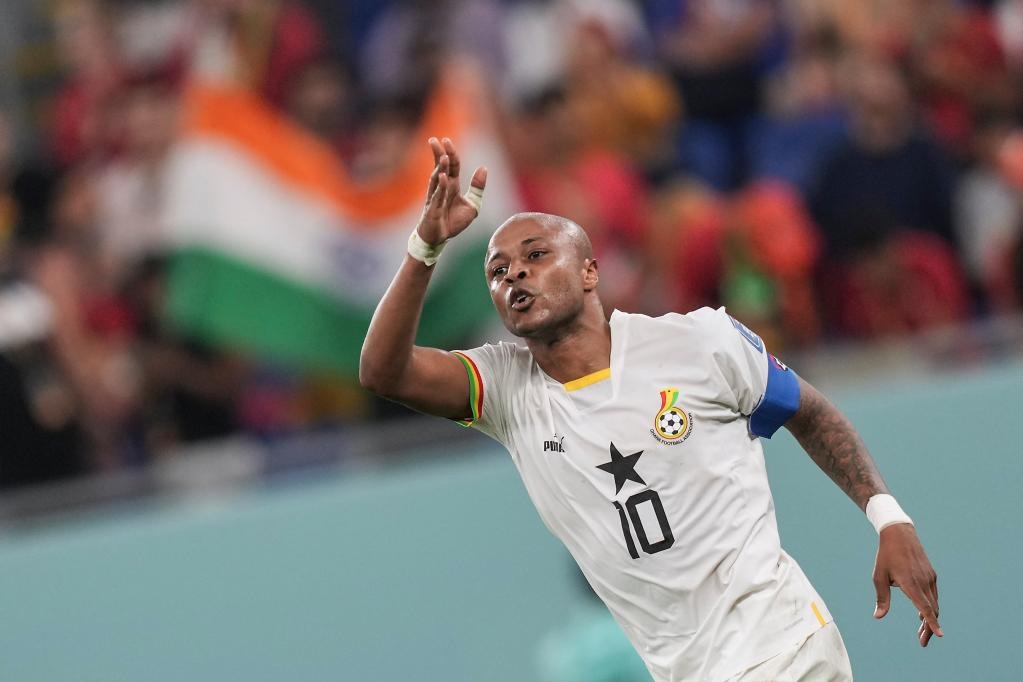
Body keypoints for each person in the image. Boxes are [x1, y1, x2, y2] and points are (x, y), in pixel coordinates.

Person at [360, 137, 942, 681]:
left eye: (536, 254)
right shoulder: (508, 389)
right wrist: (425, 247)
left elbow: (810, 413)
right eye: (498, 270)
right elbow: (382, 372)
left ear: (589, 271)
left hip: (782, 646)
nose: (515, 272)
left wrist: (888, 518)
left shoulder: (700, 342)